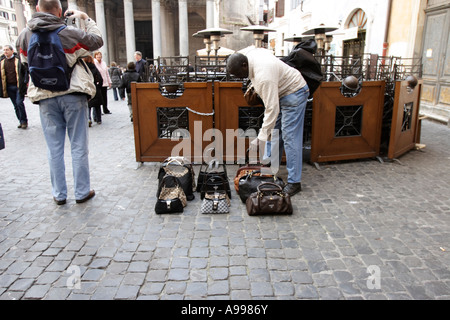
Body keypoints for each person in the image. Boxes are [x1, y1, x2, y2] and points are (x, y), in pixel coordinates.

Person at [17, 0, 103, 205]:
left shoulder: (24, 35)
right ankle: (81, 191)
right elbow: (96, 41)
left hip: (45, 95)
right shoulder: (68, 32)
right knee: (78, 145)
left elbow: (25, 63)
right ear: (60, 11)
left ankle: (59, 194)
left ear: (37, 9)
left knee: (54, 147)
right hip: (72, 93)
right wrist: (85, 18)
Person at [226, 48, 309, 197]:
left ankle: (294, 182)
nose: (239, 78)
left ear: (245, 65)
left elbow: (272, 108)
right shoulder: (250, 56)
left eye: (239, 74)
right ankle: (269, 167)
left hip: (294, 92)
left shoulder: (264, 76)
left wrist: (260, 138)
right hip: (281, 91)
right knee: (274, 131)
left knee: (290, 137)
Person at [0, 45, 29, 129]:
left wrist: (25, 81)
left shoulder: (18, 60)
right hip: (9, 87)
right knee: (16, 105)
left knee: (19, 103)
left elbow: (25, 71)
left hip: (18, 86)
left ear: (12, 51)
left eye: (7, 50)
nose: (5, 52)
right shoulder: (2, 62)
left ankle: (24, 121)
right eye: (4, 50)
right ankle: (21, 121)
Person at [84, 55, 103, 126]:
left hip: (87, 87)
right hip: (95, 87)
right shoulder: (94, 67)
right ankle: (99, 119)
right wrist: (99, 86)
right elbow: (100, 78)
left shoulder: (83, 68)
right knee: (97, 105)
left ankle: (88, 119)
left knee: (88, 106)